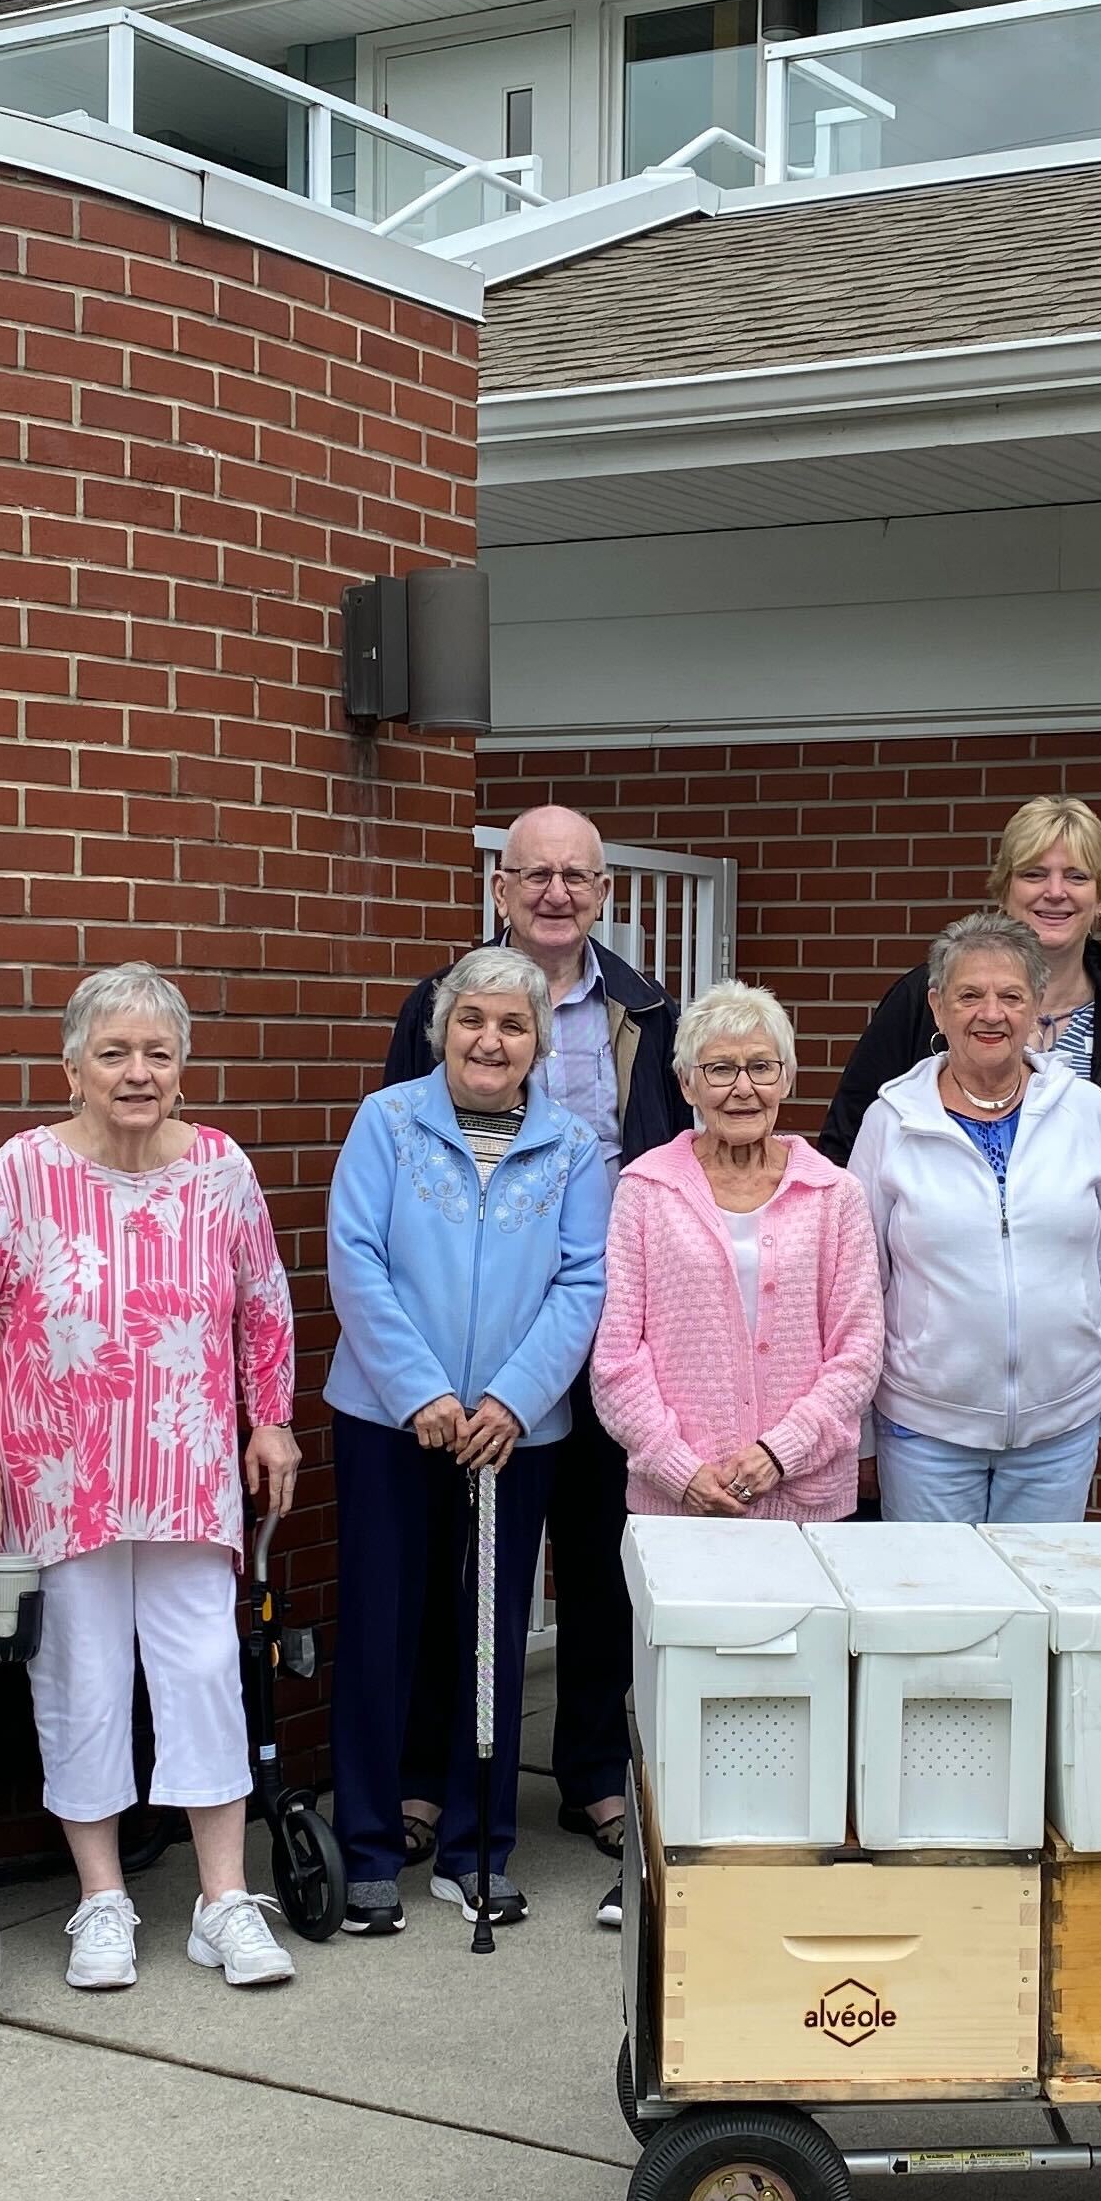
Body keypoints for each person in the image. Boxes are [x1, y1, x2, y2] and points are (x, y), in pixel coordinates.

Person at [0, 966, 302, 1995]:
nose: (138, 1072)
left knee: (207, 1668)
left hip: (185, 1470)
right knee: (79, 1679)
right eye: (115, 1053)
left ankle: (224, 1900)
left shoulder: (220, 1168)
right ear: (72, 1067)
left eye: (158, 1053)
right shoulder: (22, 1171)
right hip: (53, 1475)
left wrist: (272, 1421)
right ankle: (102, 1901)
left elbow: (264, 1306)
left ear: (183, 1068)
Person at [381, 805, 684, 1879]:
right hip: (471, 1351)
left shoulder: (646, 1006)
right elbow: (398, 1150)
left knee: (598, 1557)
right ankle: (428, 1777)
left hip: (610, 1322)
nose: (556, 893)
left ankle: (594, 1769)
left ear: (603, 894)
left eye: (576, 877)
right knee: (444, 1574)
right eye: (534, 875)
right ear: (500, 888)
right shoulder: (443, 1000)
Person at [330, 944, 612, 1937]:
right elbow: (355, 1257)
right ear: (441, 1028)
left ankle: (475, 1848)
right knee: (378, 1628)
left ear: (538, 1043)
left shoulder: (573, 1145)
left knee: (488, 1636)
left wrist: (511, 1397)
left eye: (513, 1025)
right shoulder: (387, 1121)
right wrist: (419, 1392)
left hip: (513, 1432)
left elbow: (584, 1280)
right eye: (471, 1020)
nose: (489, 1039)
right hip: (387, 1421)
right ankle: (366, 1846)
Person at [591, 981, 885, 1924]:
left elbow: (858, 1351)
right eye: (720, 1068)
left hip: (805, 1499)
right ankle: (660, 1865)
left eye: (761, 1066)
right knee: (681, 1687)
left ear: (789, 1077)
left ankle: (781, 1867)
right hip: (679, 1501)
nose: (742, 1085)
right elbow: (616, 1355)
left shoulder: (833, 1193)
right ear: (685, 1082)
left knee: (793, 1685)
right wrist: (683, 1467)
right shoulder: (644, 1187)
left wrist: (776, 1454)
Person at [846, 914, 1101, 1524]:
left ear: (1037, 1004)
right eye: (970, 995)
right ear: (937, 1007)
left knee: (1040, 1609)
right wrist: (861, 1432)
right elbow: (856, 1285)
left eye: (1011, 996)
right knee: (936, 1606)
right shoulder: (891, 1121)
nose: (992, 1013)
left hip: (1060, 1430)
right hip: (923, 1431)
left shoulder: (1086, 1112)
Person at [817, 794, 1101, 1178]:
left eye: (1077, 876)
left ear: (1100, 897)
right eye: (1034, 874)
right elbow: (847, 1142)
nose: (1056, 892)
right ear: (1004, 890)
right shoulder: (924, 996)